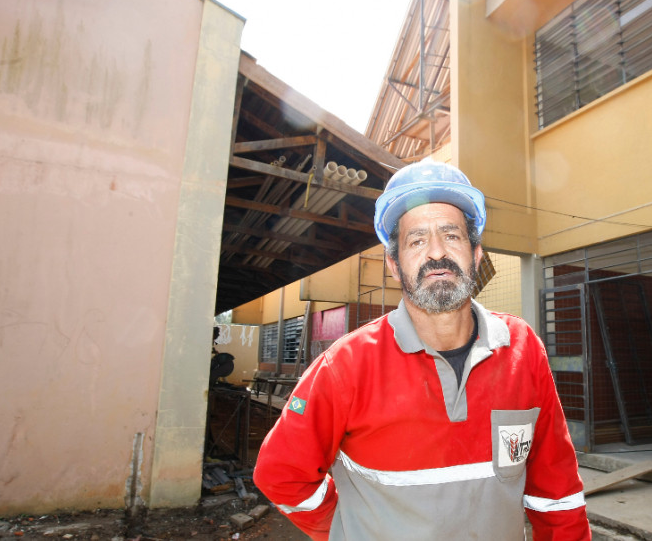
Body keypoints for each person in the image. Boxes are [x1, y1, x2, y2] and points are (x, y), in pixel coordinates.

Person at [253, 160, 591, 540]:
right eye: (416, 240)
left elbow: (556, 493)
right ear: (394, 265)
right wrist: (343, 528)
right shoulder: (346, 365)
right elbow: (280, 473)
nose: (435, 253)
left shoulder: (522, 349)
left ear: (476, 255)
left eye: (451, 235)